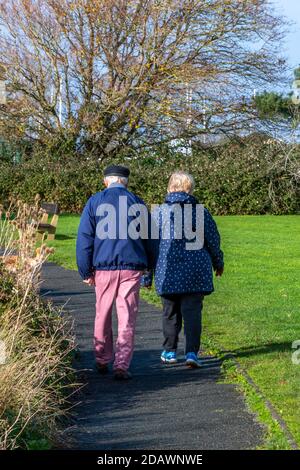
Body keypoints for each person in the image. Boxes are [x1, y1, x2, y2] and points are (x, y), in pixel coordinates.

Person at [76, 165, 153, 380]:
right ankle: (122, 363)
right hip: (132, 266)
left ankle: (101, 357)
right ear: (126, 182)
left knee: (102, 312)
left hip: (103, 267)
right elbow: (150, 238)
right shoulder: (137, 202)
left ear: (105, 181)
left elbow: (84, 239)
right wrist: (150, 266)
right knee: (127, 316)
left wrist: (85, 270)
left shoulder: (94, 202)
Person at [142, 171, 224, 368]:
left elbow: (149, 245)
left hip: (166, 269)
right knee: (193, 313)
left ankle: (170, 350)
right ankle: (192, 353)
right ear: (190, 189)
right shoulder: (200, 212)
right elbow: (213, 240)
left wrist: (147, 276)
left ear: (170, 188)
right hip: (195, 271)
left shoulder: (158, 213)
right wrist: (218, 262)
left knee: (169, 313)